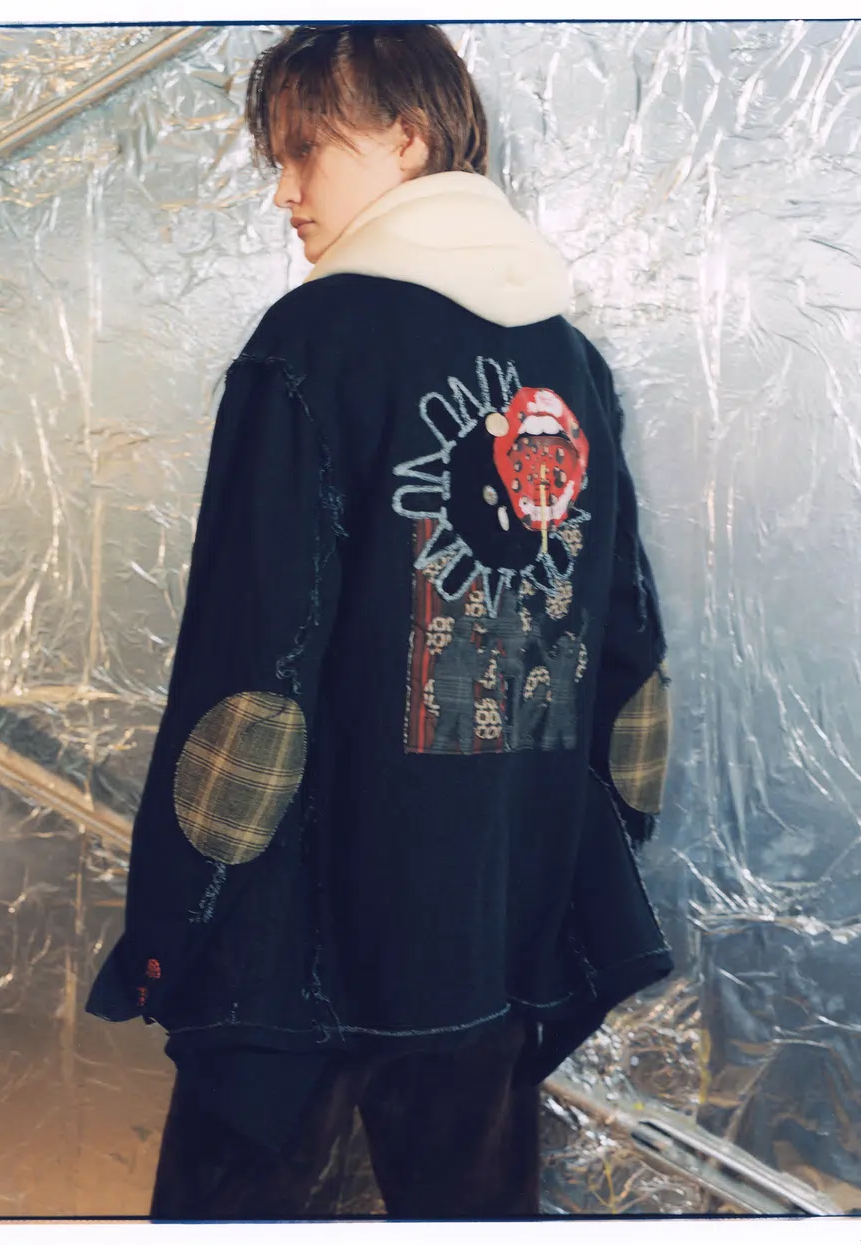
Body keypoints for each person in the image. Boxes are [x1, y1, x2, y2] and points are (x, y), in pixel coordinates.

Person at [86, 23, 674, 1220]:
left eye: (307, 151)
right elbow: (625, 660)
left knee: (226, 1206)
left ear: (407, 139)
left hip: (315, 929)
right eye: (278, 160)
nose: (285, 192)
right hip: (498, 925)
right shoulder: (570, 362)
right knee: (472, 1209)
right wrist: (559, 855)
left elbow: (248, 665)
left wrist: (180, 911)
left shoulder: (316, 343)